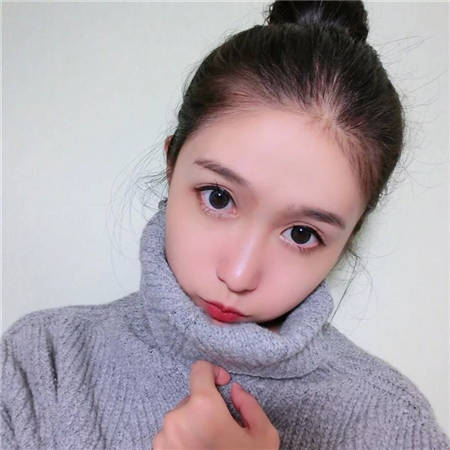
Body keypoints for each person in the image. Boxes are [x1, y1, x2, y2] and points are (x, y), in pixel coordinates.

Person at [2, 1, 449, 449]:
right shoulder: (42, 365)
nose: (238, 276)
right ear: (172, 164)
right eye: (218, 198)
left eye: (302, 234)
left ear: (350, 235)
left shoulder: (395, 424)